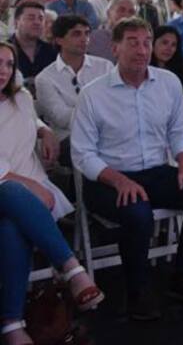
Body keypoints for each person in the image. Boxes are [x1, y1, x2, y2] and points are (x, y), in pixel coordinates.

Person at [71, 17, 183, 320]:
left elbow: (178, 129)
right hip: (106, 179)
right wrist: (118, 180)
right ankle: (137, 290)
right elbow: (82, 154)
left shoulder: (168, 82)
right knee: (138, 214)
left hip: (155, 170)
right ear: (115, 48)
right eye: (132, 42)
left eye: (146, 42)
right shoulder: (93, 94)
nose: (142, 50)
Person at [1, 42, 105, 342]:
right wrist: (32, 185)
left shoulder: (20, 97)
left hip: (23, 196)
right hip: (11, 187)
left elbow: (29, 119)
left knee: (11, 229)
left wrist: (44, 130)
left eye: (9, 64)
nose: (4, 70)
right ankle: (72, 268)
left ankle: (12, 325)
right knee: (10, 192)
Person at [34, 15, 111, 148]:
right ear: (59, 40)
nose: (84, 39)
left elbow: (117, 103)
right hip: (69, 139)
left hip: (108, 133)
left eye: (87, 33)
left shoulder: (105, 67)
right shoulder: (45, 78)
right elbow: (61, 118)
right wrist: (101, 113)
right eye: (76, 34)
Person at [9, 1, 57, 81]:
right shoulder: (4, 51)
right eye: (31, 18)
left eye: (41, 19)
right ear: (16, 22)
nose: (37, 22)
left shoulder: (52, 51)